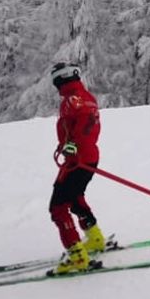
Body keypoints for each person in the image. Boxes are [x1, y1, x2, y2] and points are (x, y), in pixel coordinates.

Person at [48, 62, 108, 275]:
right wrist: (68, 145)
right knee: (74, 197)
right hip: (84, 159)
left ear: (60, 80)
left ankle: (77, 256)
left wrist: (73, 147)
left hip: (79, 160)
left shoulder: (75, 100)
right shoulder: (81, 97)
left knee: (57, 207)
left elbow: (86, 127)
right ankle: (95, 238)